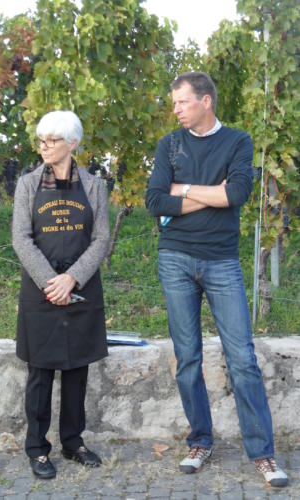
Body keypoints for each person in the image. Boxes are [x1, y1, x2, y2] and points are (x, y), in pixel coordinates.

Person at [146, 72, 288, 488]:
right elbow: (155, 200)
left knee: (242, 359)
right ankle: (200, 441)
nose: (175, 109)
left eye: (182, 102)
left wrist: (183, 189)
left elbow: (237, 194)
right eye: (174, 103)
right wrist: (209, 192)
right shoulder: (169, 144)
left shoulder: (238, 141)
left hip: (222, 261)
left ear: (206, 100)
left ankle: (262, 454)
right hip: (174, 258)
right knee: (187, 357)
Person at [12, 110, 109, 479]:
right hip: (41, 292)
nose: (44, 147)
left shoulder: (95, 186)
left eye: (51, 140)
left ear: (72, 143)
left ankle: (73, 441)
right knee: (40, 372)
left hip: (80, 290)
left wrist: (72, 279)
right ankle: (37, 448)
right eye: (41, 140)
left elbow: (100, 239)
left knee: (76, 369)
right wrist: (51, 281)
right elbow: (21, 238)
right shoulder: (27, 185)